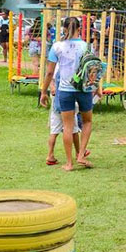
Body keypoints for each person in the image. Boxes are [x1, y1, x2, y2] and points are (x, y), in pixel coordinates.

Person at [40, 17, 94, 171]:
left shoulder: (57, 47)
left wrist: (43, 91)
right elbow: (92, 69)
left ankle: (69, 163)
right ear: (79, 29)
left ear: (64, 29)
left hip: (65, 90)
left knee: (68, 126)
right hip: (84, 89)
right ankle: (81, 154)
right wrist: (96, 87)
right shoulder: (86, 46)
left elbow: (50, 72)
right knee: (87, 121)